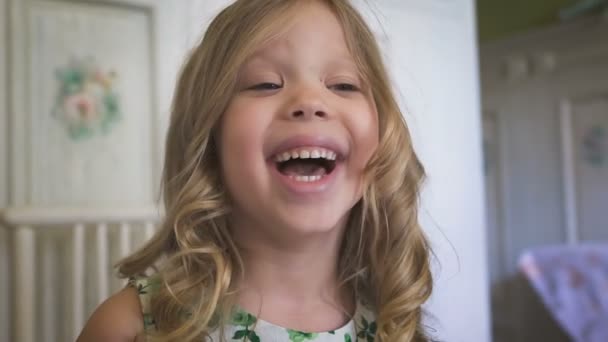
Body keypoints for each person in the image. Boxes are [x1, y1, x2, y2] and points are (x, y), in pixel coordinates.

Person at [77, 0, 432, 341]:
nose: (310, 101)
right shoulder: (133, 328)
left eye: (344, 85)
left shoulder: (394, 319)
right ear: (210, 136)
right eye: (266, 83)